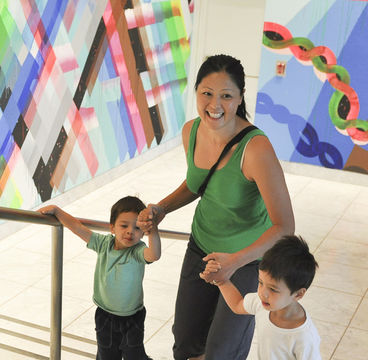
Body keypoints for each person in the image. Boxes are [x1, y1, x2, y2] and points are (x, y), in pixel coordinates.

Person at [137, 54, 294, 360]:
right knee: (185, 341)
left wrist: (235, 262)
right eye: (206, 93)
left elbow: (284, 226)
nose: (215, 104)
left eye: (226, 95)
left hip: (247, 261)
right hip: (202, 249)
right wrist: (162, 208)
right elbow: (197, 184)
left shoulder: (256, 149)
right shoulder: (191, 132)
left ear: (239, 99)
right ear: (196, 93)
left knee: (223, 350)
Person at [39, 196, 161, 360]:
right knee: (107, 354)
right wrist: (57, 211)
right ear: (112, 227)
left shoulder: (138, 251)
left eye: (137, 228)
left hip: (133, 317)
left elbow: (154, 255)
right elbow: (77, 227)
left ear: (143, 232)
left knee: (134, 354)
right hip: (105, 315)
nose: (130, 231)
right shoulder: (103, 244)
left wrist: (153, 230)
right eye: (124, 225)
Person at [202, 235, 321, 359]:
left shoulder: (305, 337)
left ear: (298, 294)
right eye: (260, 282)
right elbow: (237, 304)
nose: (262, 293)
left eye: (273, 289)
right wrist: (221, 280)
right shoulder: (262, 304)